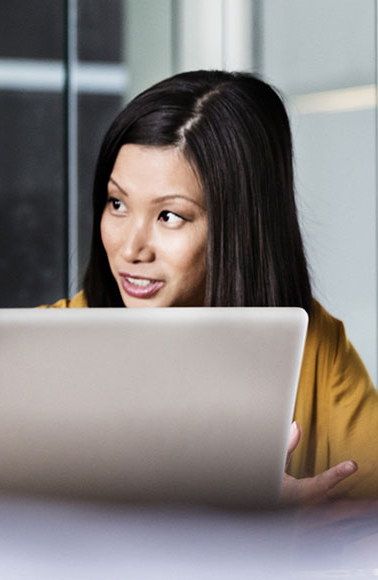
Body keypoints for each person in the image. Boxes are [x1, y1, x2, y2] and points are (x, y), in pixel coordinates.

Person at [46, 70, 378, 502]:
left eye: (170, 216)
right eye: (117, 203)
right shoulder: (48, 343)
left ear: (238, 228)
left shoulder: (316, 347)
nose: (130, 248)